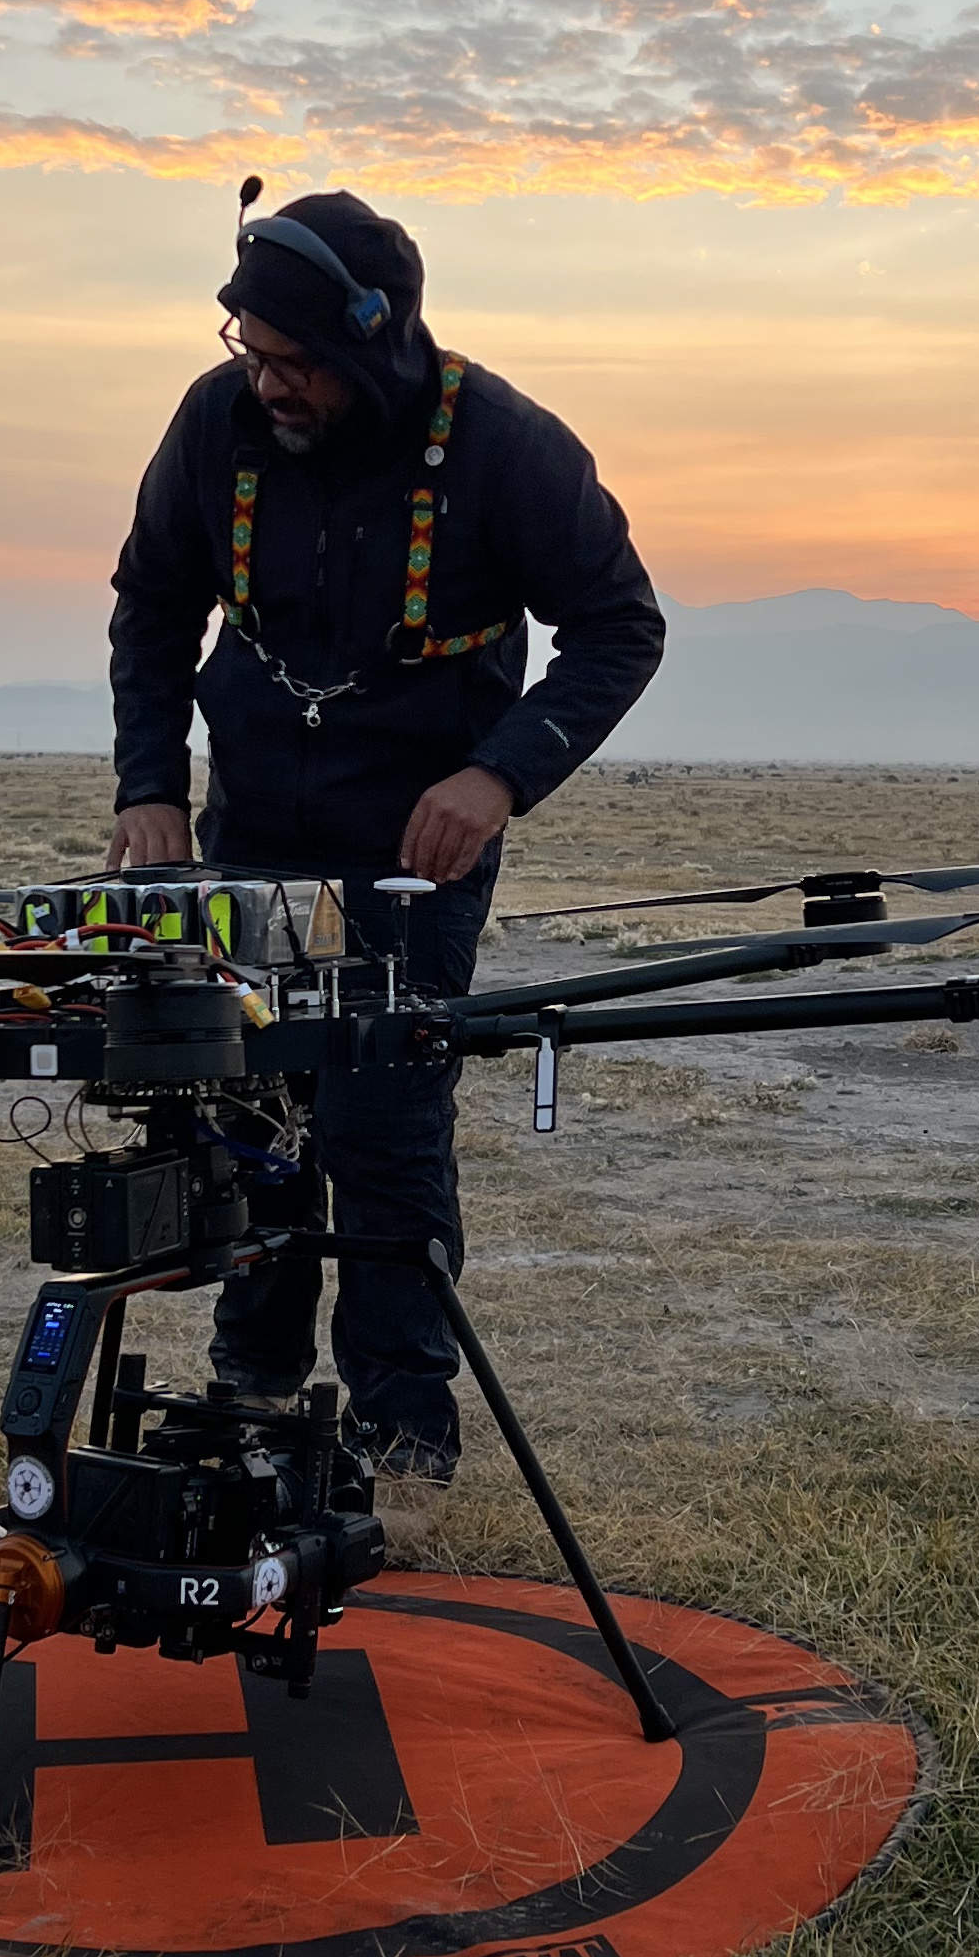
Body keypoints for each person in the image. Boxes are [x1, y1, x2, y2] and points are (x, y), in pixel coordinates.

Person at [106, 187, 665, 1515]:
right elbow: (151, 607)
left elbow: (620, 629)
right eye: (252, 351)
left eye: (296, 363)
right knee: (247, 1114)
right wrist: (149, 790)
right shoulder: (213, 422)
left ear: (373, 340)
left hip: (417, 855)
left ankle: (404, 1435)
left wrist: (499, 775)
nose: (270, 383)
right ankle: (249, 1393)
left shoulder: (505, 447)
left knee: (387, 1120)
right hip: (250, 836)